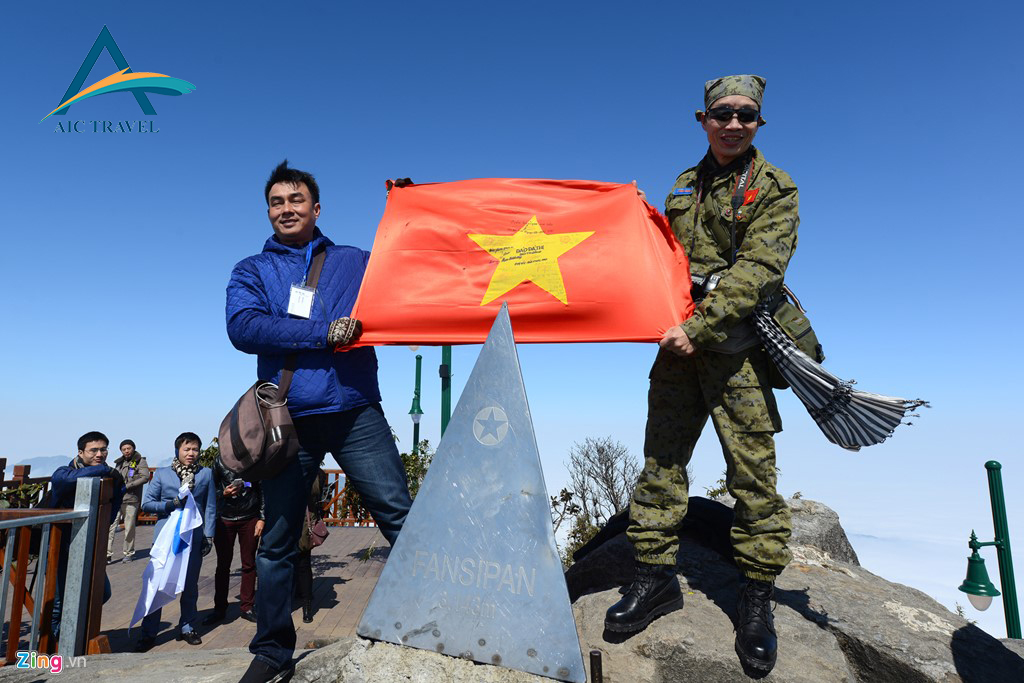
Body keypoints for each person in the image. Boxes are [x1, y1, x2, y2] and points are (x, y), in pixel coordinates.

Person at [606, 75, 797, 674]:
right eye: (723, 113)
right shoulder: (683, 186)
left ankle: (757, 597)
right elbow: (659, 261)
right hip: (677, 349)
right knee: (662, 463)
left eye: (746, 115)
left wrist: (700, 329)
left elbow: (760, 269)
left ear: (758, 121)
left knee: (752, 474)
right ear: (704, 118)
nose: (734, 123)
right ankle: (656, 576)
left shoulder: (776, 187)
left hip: (734, 347)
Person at [226, 161, 413, 683]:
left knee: (402, 519)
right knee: (279, 541)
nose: (287, 209)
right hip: (289, 423)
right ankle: (271, 651)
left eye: (296, 200)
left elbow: (408, 278)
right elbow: (242, 326)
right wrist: (320, 335)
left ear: (316, 208)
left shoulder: (354, 260)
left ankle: (433, 618)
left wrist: (413, 218)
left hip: (356, 412)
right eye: (277, 202)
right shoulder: (251, 270)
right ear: (269, 211)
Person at [136, 432, 216, 651]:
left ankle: (188, 626)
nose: (191, 454)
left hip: (194, 536)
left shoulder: (206, 474)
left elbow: (209, 506)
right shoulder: (162, 474)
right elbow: (147, 504)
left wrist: (209, 535)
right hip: (165, 537)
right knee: (158, 583)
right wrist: (171, 504)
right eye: (186, 449)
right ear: (177, 450)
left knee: (190, 585)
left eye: (195, 449)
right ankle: (149, 632)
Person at [47, 431, 125, 641]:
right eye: (94, 450)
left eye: (103, 449)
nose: (99, 454)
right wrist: (103, 469)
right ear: (80, 452)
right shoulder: (66, 471)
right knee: (58, 601)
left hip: (89, 543)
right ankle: (55, 642)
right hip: (60, 544)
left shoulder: (110, 477)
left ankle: (69, 632)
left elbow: (115, 502)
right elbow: (62, 481)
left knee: (102, 592)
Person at [204, 454, 264, 625]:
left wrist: (262, 518)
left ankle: (247, 606)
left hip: (250, 516)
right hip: (225, 518)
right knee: (223, 565)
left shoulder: (254, 459)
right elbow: (210, 489)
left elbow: (262, 489)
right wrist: (223, 493)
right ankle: (219, 608)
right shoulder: (219, 460)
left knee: (249, 563)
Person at [294, 468, 328, 624]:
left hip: (302, 524)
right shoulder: (317, 473)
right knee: (297, 564)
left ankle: (307, 605)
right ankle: (302, 600)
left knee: (303, 563)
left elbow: (314, 494)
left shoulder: (317, 473)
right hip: (289, 522)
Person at [108, 439, 149, 562]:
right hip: (117, 499)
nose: (126, 451)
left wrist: (128, 486)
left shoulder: (140, 461)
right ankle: (107, 554)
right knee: (110, 527)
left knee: (129, 527)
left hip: (131, 499)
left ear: (133, 448)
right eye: (124, 449)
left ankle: (129, 552)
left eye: (128, 448)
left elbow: (145, 477)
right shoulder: (119, 463)